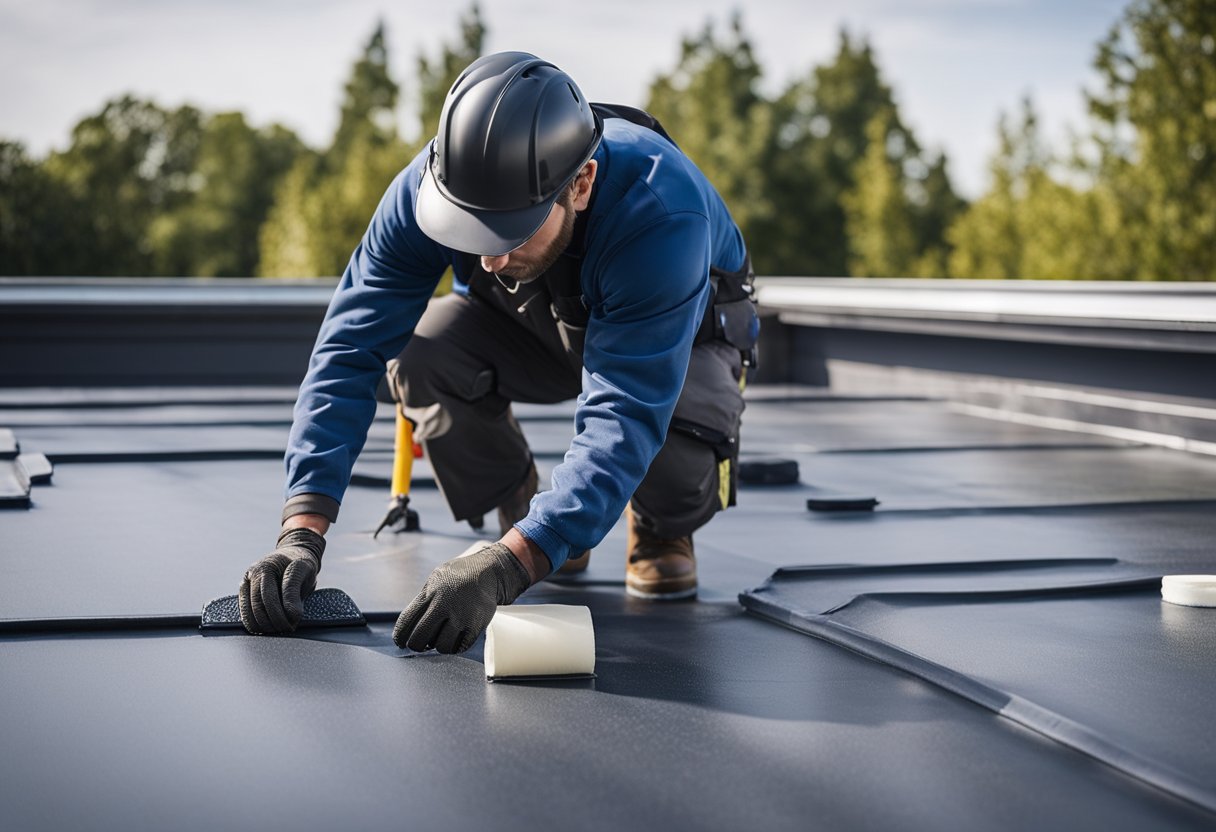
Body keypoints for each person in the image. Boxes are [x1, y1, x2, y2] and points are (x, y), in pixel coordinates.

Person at [238, 51, 759, 653]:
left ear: (581, 184)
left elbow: (625, 414)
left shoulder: (661, 210)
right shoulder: (431, 185)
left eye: (508, 229)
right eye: (468, 228)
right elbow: (349, 347)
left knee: (672, 452)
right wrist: (301, 531)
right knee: (422, 351)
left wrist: (507, 568)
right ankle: (535, 511)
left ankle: (661, 528)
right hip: (539, 322)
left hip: (677, 344)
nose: (487, 259)